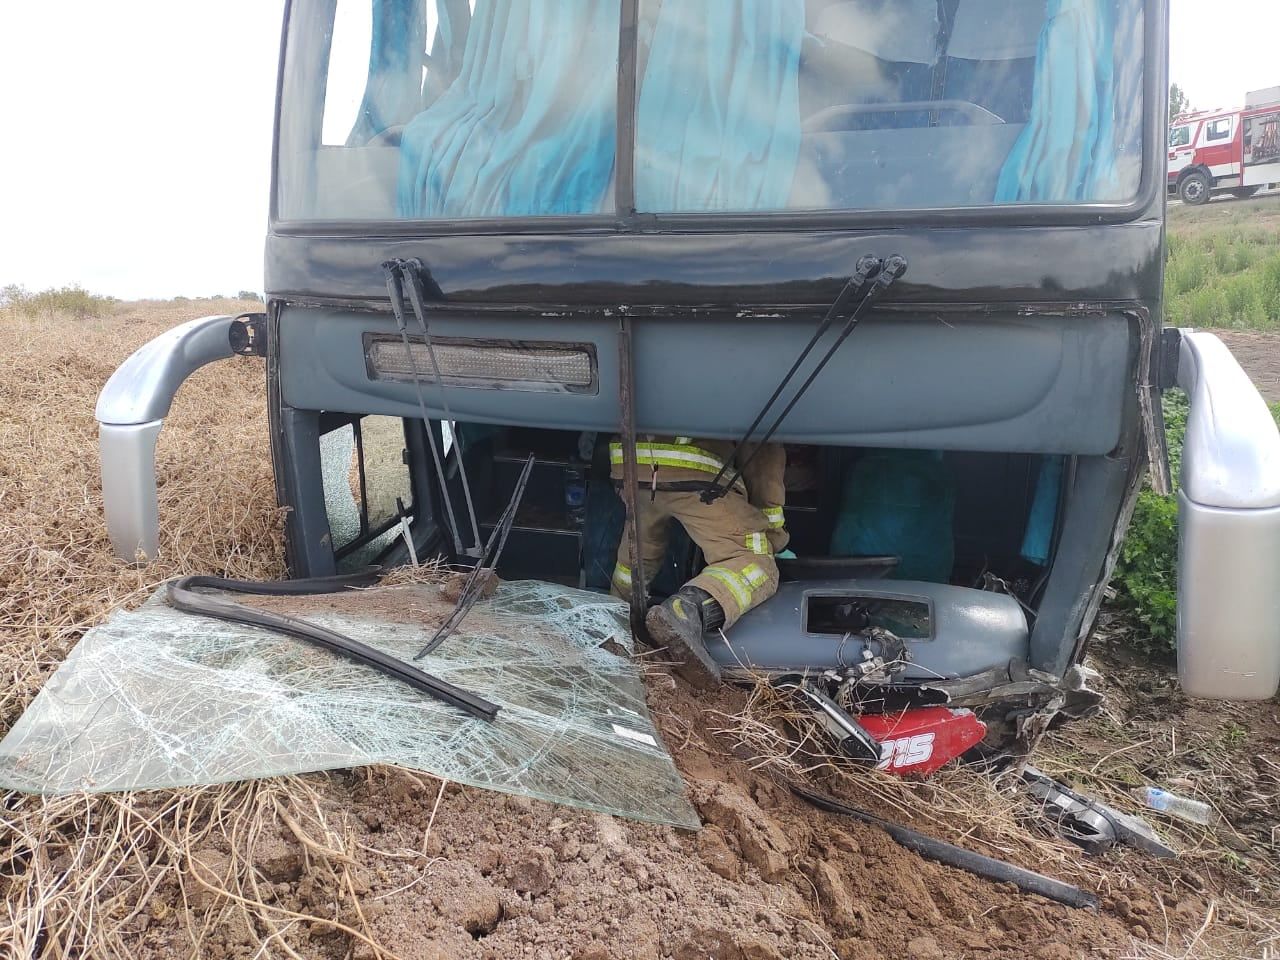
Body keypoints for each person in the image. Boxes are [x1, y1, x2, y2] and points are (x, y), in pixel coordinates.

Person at [609, 436, 788, 686]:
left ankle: (609, 623)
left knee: (637, 558)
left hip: (629, 466)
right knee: (757, 564)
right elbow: (763, 455)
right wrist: (773, 538)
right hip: (696, 467)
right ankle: (683, 611)